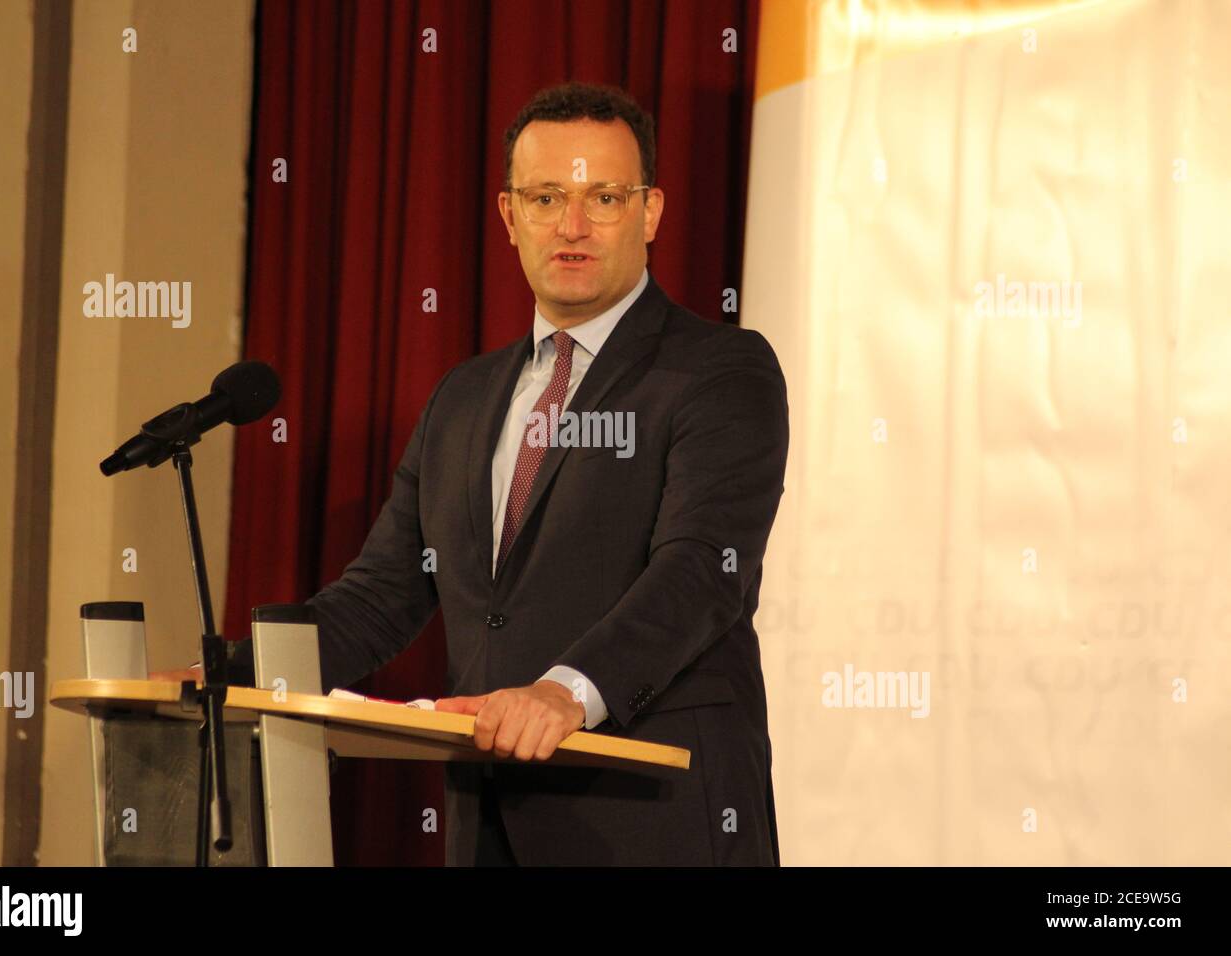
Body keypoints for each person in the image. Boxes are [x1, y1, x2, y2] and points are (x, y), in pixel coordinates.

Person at [160, 82, 788, 866]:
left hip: (655, 818)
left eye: (606, 197)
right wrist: (225, 673)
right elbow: (382, 596)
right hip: (488, 822)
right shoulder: (465, 398)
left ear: (651, 211)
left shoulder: (721, 372)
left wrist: (566, 691)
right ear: (509, 215)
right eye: (547, 196)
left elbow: (701, 571)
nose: (573, 225)